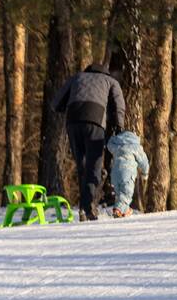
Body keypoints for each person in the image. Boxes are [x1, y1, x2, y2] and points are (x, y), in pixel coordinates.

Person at [51, 64, 126, 221]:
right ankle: (88, 207)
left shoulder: (77, 77)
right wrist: (119, 126)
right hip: (95, 120)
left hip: (73, 121)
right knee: (94, 166)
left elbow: (56, 103)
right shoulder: (110, 81)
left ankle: (84, 208)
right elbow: (119, 105)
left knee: (82, 165)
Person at [105, 129, 150, 218]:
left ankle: (124, 211)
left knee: (120, 194)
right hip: (127, 174)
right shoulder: (136, 147)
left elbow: (109, 144)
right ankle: (117, 210)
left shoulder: (117, 146)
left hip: (115, 173)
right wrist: (145, 173)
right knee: (126, 194)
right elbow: (143, 162)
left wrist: (113, 137)